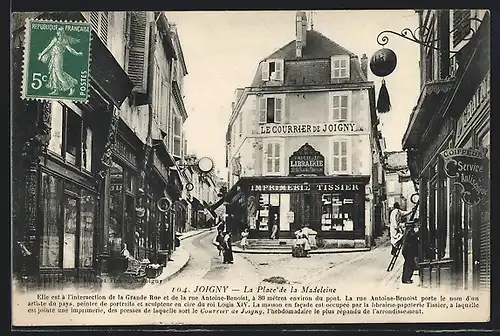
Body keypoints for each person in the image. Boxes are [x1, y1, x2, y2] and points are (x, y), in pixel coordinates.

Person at [37, 27, 83, 96]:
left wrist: (77, 53)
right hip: (53, 57)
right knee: (53, 72)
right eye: (58, 32)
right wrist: (41, 55)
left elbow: (71, 50)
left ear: (62, 33)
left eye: (59, 32)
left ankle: (71, 87)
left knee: (59, 73)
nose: (58, 33)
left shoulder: (64, 41)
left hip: (58, 57)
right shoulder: (55, 39)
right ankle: (56, 90)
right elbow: (48, 47)